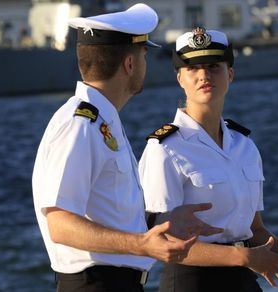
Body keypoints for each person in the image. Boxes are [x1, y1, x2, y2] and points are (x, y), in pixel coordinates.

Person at [32, 5, 221, 292]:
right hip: (96, 285)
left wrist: (163, 222)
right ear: (129, 64)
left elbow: (107, 212)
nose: (147, 63)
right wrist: (143, 244)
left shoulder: (101, 120)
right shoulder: (81, 124)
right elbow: (60, 224)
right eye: (144, 55)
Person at [139, 27, 278, 291]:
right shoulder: (165, 148)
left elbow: (253, 227)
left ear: (230, 74)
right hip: (191, 281)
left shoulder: (244, 146)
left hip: (242, 278)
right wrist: (245, 257)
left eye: (214, 66)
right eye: (193, 68)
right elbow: (162, 241)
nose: (204, 75)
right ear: (180, 78)